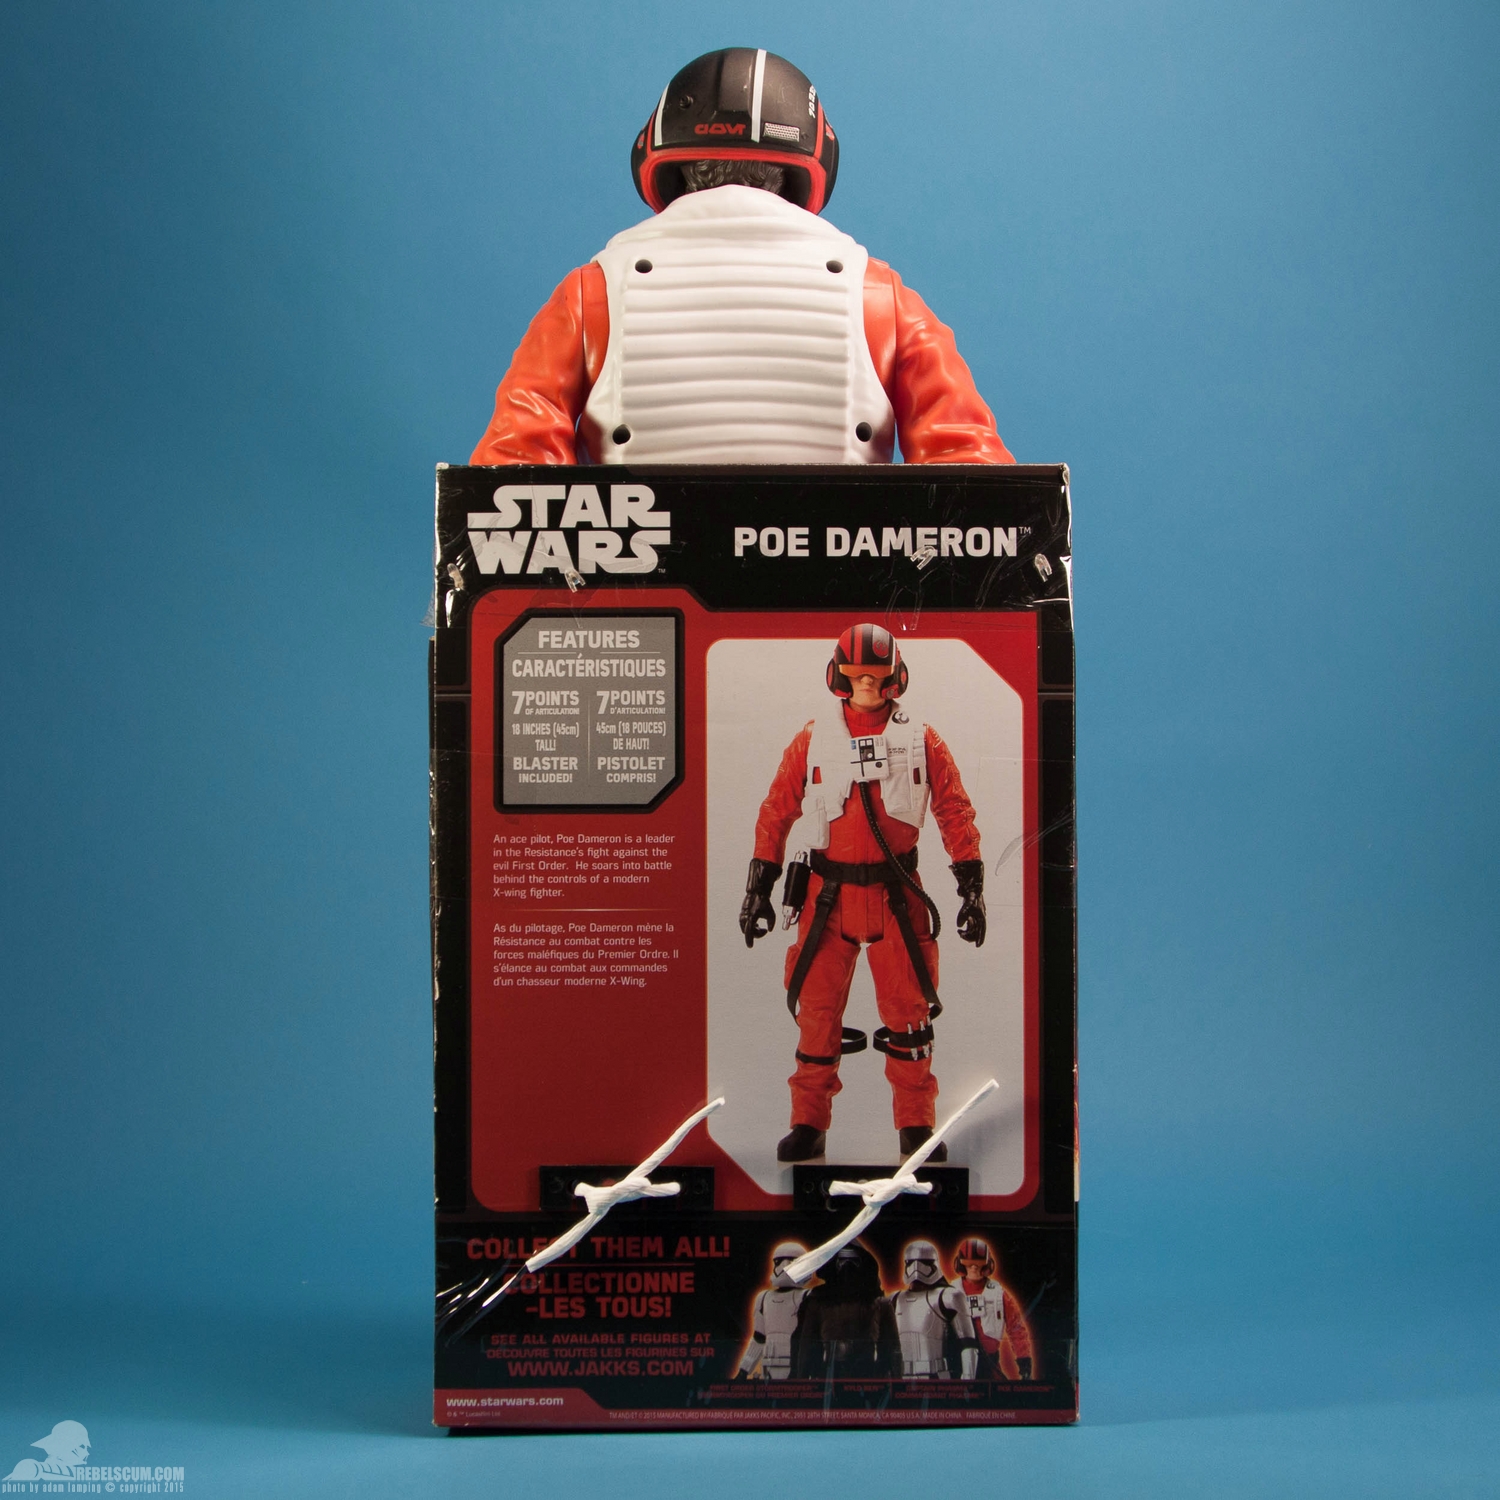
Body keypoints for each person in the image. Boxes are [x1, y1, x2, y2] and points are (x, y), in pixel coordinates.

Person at [471, 49, 1014, 468]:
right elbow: (976, 480)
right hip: (841, 584)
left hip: (639, 580)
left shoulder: (592, 294)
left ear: (662, 159)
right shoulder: (879, 297)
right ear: (812, 161)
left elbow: (509, 479)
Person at [742, 623, 986, 1162]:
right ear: (840, 677)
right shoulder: (812, 739)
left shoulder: (922, 740)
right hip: (827, 898)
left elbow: (954, 810)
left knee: (909, 1014)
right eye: (857, 677)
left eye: (876, 677)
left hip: (897, 896)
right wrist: (759, 886)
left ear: (896, 677)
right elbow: (776, 810)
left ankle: (916, 1125)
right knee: (817, 1012)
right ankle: (808, 1122)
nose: (867, 686)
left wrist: (971, 886)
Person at [790, 1241, 904, 1380]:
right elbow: (806, 1349)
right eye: (842, 1261)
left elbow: (892, 1349)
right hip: (830, 1378)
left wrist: (894, 1382)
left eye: (854, 1261)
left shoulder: (881, 1304)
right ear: (834, 1264)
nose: (847, 1267)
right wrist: (803, 1382)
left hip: (867, 1379)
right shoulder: (818, 1302)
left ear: (863, 1264)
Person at [889, 1240, 979, 1379]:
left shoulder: (949, 1296)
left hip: (937, 1378)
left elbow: (968, 1344)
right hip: (902, 1378)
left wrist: (968, 1380)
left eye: (924, 1262)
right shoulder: (895, 1299)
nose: (916, 1268)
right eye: (911, 1262)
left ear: (934, 1264)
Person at [953, 1236, 1035, 1380]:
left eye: (979, 1263)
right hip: (957, 1364)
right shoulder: (950, 1292)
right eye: (969, 1263)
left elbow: (1016, 1328)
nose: (974, 1267)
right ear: (961, 1264)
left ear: (987, 1264)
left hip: (989, 1365)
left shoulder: (999, 1294)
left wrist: (1024, 1361)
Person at [734, 1241, 810, 1380]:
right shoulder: (764, 1298)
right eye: (777, 1262)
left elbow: (813, 1338)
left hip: (797, 1370)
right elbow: (759, 1338)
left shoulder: (807, 1296)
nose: (781, 1267)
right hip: (769, 1368)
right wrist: (744, 1370)